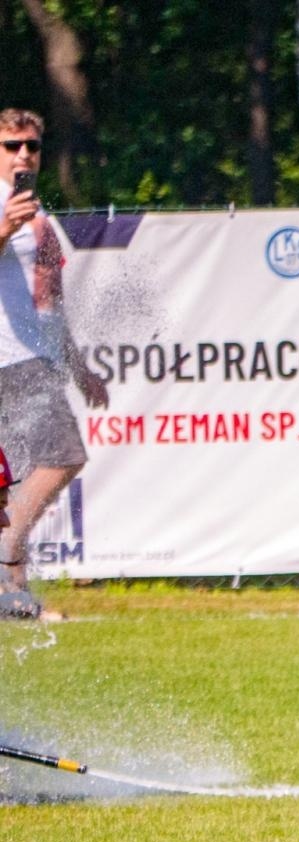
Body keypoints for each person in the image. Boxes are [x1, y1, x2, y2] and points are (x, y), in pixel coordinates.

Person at [0, 108, 108, 620]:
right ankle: (3, 566)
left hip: (32, 356)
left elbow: (51, 302)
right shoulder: (9, 211)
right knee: (64, 456)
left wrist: (79, 367)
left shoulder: (39, 218)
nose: (23, 155)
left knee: (18, 479)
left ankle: (14, 598)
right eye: (11, 145)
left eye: (32, 146)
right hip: (9, 358)